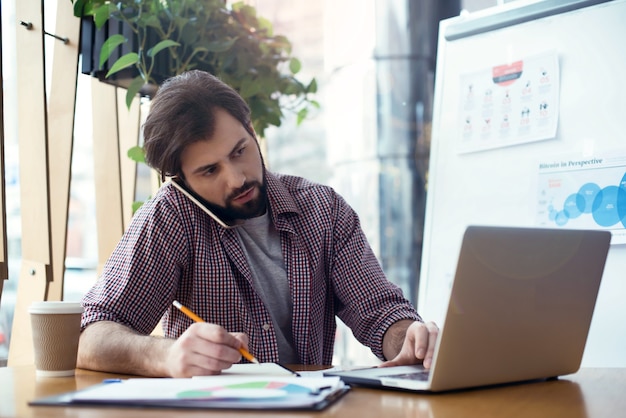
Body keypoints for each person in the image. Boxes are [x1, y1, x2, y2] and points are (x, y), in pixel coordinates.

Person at [77, 70, 438, 378]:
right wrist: (166, 355)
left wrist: (408, 337)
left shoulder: (323, 210)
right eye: (209, 170)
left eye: (239, 151)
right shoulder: (170, 218)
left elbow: (380, 313)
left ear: (251, 131)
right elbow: (88, 337)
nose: (236, 179)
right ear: (180, 180)